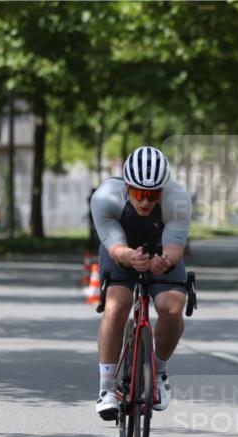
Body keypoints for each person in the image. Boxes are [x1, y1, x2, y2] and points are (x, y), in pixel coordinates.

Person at [90, 146, 192, 420]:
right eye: (138, 194)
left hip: (161, 250)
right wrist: (128, 257)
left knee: (172, 307)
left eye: (153, 194)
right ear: (126, 187)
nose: (145, 201)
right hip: (121, 250)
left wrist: (165, 261)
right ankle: (107, 389)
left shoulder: (178, 199)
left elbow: (174, 248)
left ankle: (158, 373)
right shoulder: (105, 197)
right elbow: (115, 248)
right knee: (116, 306)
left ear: (163, 190)